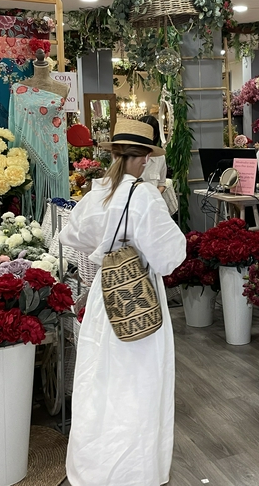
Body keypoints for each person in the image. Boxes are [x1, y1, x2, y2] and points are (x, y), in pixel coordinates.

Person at [59, 118, 186, 486]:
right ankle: (137, 471)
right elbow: (168, 256)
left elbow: (73, 234)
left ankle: (93, 467)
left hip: (104, 294)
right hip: (138, 295)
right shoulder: (145, 196)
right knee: (140, 383)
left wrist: (108, 249)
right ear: (143, 158)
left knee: (99, 380)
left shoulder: (96, 193)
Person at [138, 115, 167, 194]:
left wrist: (154, 197)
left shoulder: (160, 157)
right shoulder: (129, 155)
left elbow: (162, 184)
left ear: (154, 135)